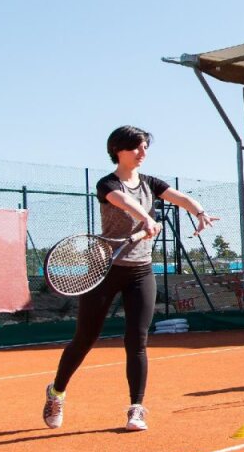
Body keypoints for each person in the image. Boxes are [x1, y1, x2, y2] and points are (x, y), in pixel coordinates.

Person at [43, 126, 219, 431]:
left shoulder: (150, 183)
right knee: (85, 339)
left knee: (137, 339)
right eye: (136, 147)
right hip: (105, 270)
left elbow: (179, 197)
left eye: (145, 147)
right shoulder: (107, 184)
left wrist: (199, 211)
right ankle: (56, 392)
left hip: (141, 270)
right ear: (118, 150)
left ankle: (136, 408)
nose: (142, 153)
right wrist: (147, 218)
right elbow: (125, 202)